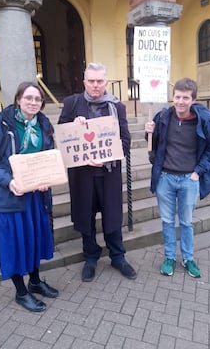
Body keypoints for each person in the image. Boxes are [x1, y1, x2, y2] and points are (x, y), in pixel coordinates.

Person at [0, 82, 59, 312]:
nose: (33, 102)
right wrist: (8, 181)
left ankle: (34, 282)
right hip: (10, 195)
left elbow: (48, 155)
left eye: (38, 99)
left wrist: (46, 178)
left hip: (35, 195)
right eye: (29, 98)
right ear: (18, 99)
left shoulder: (43, 122)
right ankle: (21, 292)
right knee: (14, 244)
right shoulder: (1, 123)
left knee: (33, 239)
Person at [58, 62, 137, 282]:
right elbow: (61, 137)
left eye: (99, 81)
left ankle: (117, 256)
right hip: (82, 175)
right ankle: (90, 257)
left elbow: (125, 141)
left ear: (106, 82)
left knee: (112, 216)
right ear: (84, 82)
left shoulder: (116, 107)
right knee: (86, 215)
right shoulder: (72, 104)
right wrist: (74, 126)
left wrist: (106, 156)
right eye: (91, 81)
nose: (95, 85)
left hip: (108, 173)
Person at [145, 78, 210, 278]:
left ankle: (188, 258)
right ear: (172, 97)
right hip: (165, 178)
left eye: (185, 98)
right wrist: (149, 133)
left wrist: (198, 172)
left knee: (186, 222)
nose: (180, 101)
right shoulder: (163, 117)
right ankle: (170, 257)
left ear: (193, 99)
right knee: (167, 221)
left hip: (189, 179)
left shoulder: (203, 121)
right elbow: (154, 143)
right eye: (177, 97)